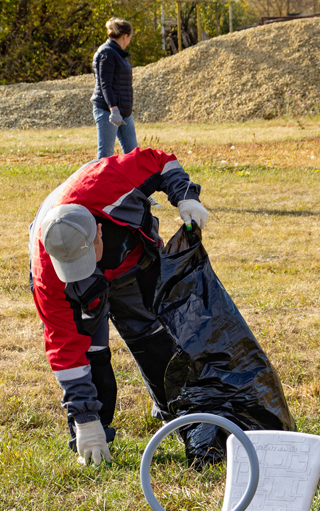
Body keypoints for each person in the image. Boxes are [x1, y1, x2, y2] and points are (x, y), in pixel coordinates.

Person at [29, 148, 208, 465]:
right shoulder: (51, 275)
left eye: (86, 260)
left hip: (132, 263)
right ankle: (94, 437)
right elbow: (66, 350)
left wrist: (185, 197)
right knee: (92, 353)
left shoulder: (109, 181)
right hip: (73, 282)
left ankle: (175, 412)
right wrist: (85, 419)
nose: (84, 271)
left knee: (152, 339)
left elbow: (161, 160)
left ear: (98, 232)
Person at [91, 18, 137, 160]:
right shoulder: (107, 53)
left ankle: (132, 183)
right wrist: (114, 109)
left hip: (123, 111)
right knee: (105, 154)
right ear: (125, 36)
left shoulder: (118, 54)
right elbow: (106, 84)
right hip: (108, 110)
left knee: (133, 154)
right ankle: (99, 182)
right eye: (130, 37)